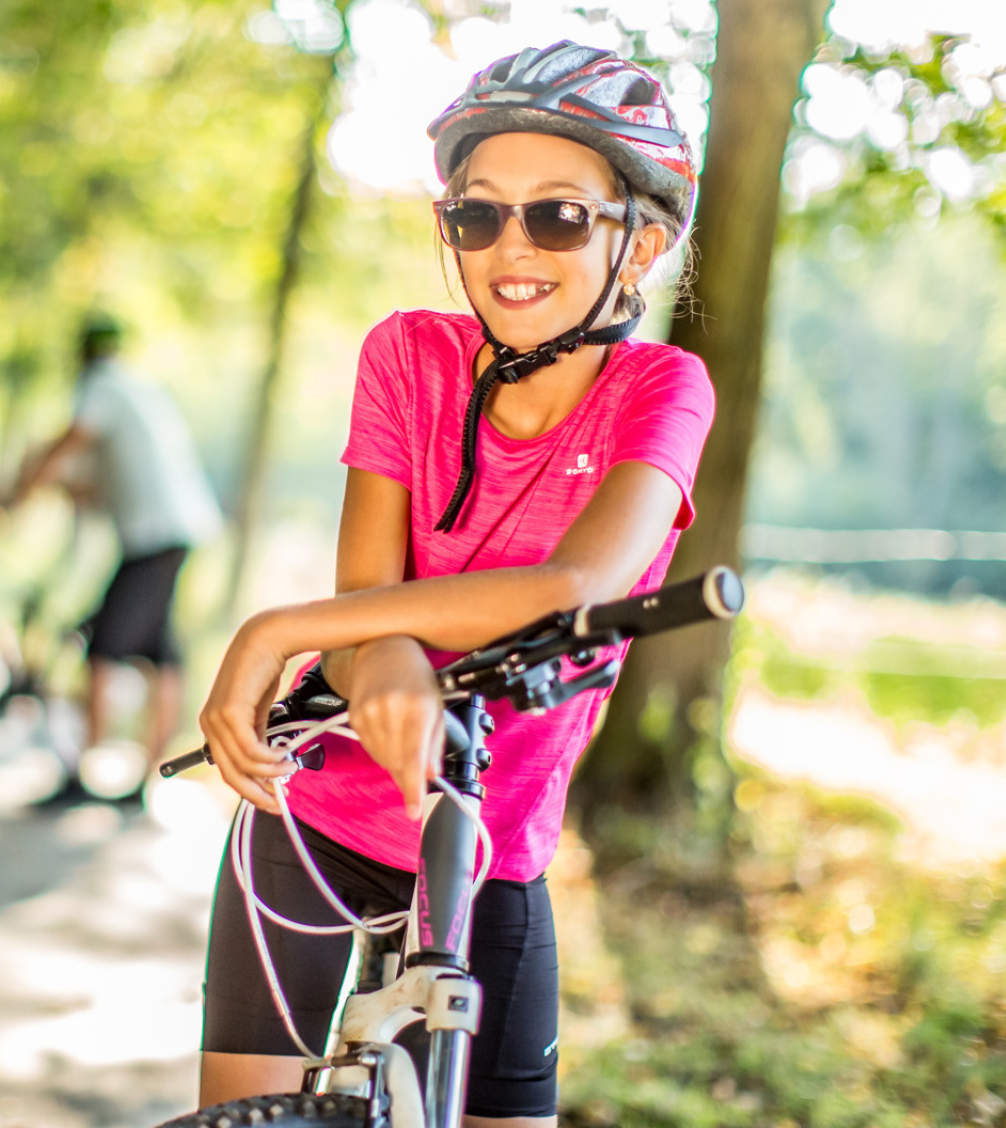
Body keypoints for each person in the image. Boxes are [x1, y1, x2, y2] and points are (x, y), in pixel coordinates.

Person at [190, 43, 715, 1126]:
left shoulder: (662, 389)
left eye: (558, 218)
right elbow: (364, 608)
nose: (509, 248)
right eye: (475, 216)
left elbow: (572, 584)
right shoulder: (405, 355)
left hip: (489, 856)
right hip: (311, 828)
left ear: (642, 242)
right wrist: (362, 648)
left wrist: (281, 627)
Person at [10, 313, 223, 808]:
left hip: (155, 538)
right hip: (172, 534)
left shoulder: (102, 384)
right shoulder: (136, 388)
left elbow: (71, 441)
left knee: (104, 651)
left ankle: (84, 777)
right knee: (161, 656)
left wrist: (22, 490)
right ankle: (144, 784)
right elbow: (97, 484)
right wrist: (51, 486)